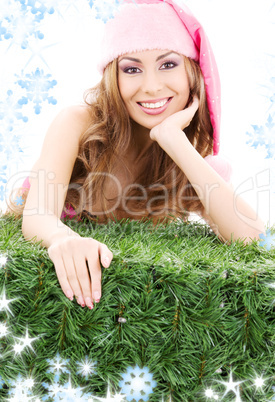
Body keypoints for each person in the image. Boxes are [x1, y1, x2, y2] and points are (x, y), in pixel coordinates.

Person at [8, 0, 265, 310]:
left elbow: (252, 238)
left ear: (192, 74)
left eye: (168, 64)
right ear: (113, 78)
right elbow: (37, 216)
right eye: (131, 69)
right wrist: (63, 239)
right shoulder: (77, 125)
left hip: (125, 309)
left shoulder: (185, 154)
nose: (152, 87)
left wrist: (175, 141)